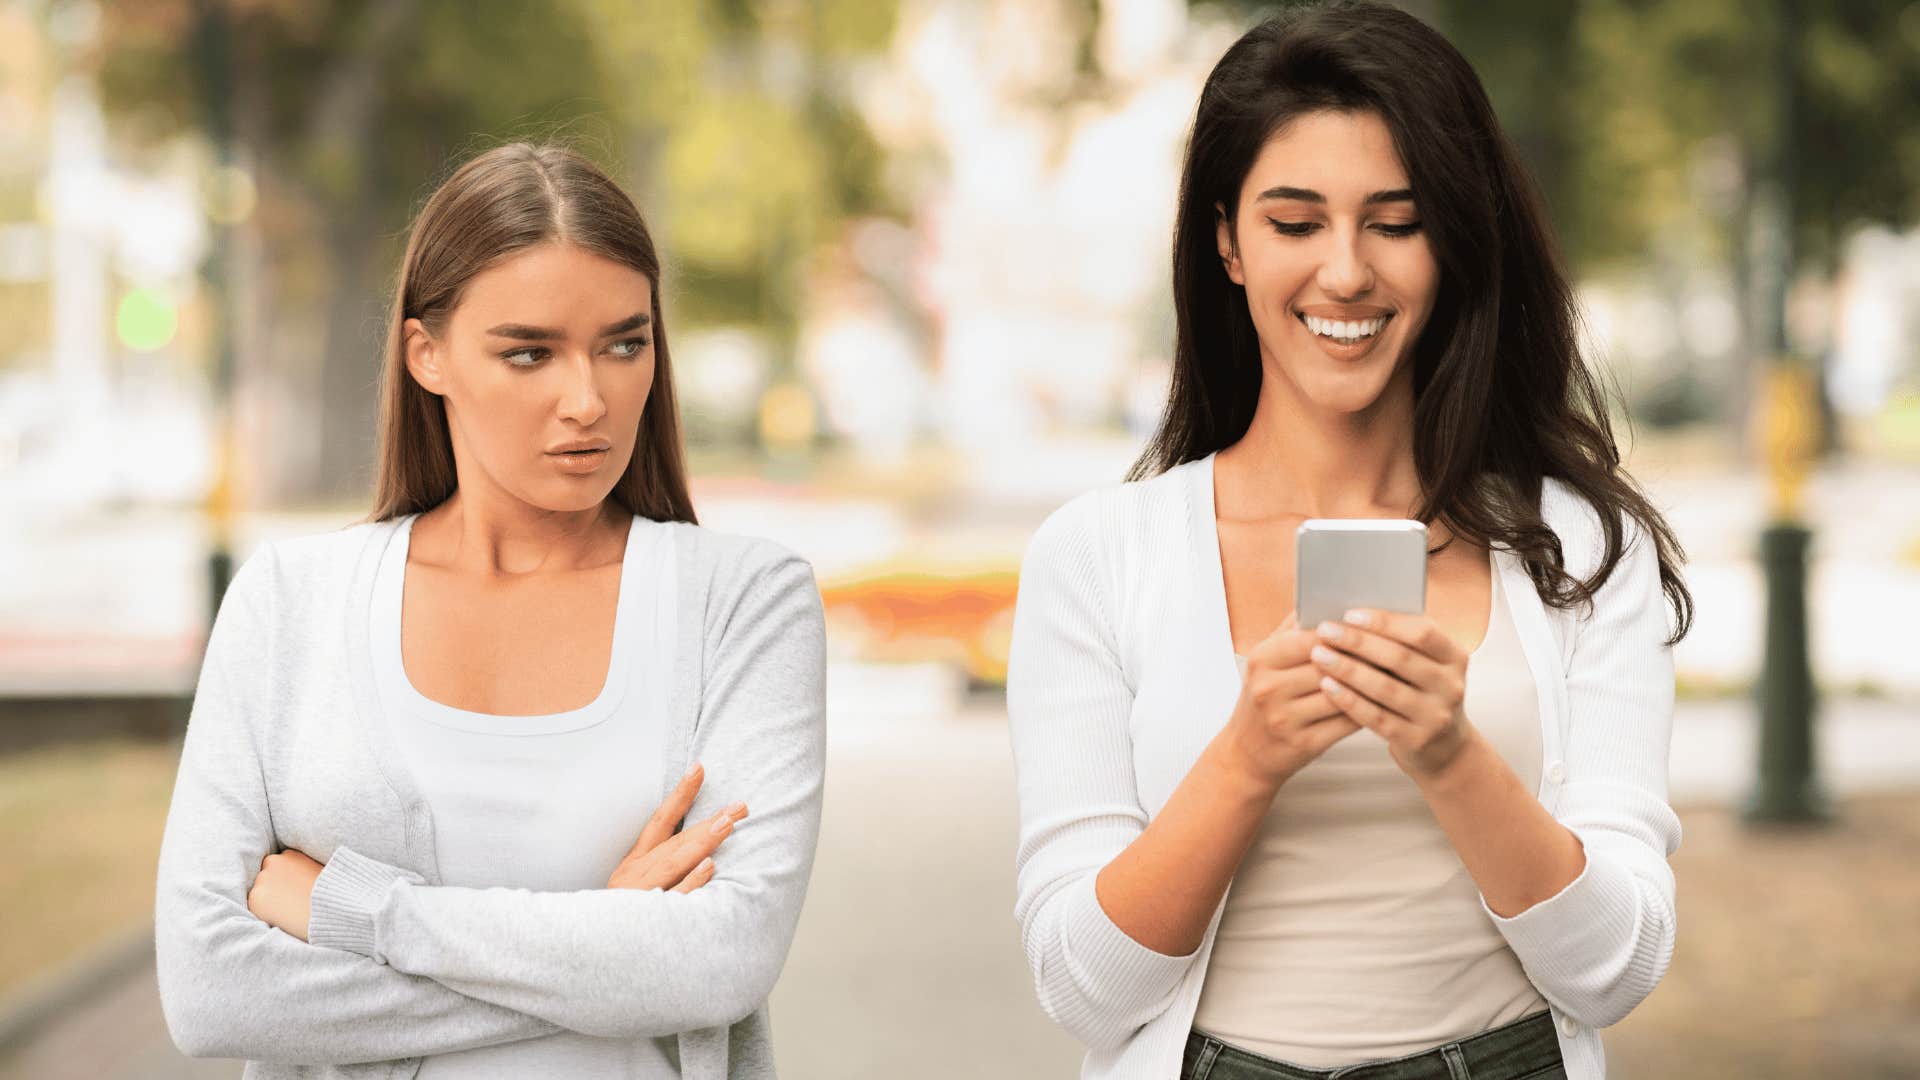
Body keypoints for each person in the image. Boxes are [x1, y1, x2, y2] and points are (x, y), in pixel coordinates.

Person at [1006, 4, 1694, 1079]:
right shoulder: (1099, 556)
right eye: (1295, 223)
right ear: (1226, 241)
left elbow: (1616, 970)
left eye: (1396, 220)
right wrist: (1249, 754)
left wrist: (1449, 752)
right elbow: (1083, 989)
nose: (1346, 273)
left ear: (1455, 242)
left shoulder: (1580, 545)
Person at [154, 143, 826, 1079]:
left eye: (625, 344)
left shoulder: (744, 603)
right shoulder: (289, 604)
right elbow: (212, 995)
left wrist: (362, 914)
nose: (588, 399)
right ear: (427, 355)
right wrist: (610, 941)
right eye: (528, 353)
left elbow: (719, 964)